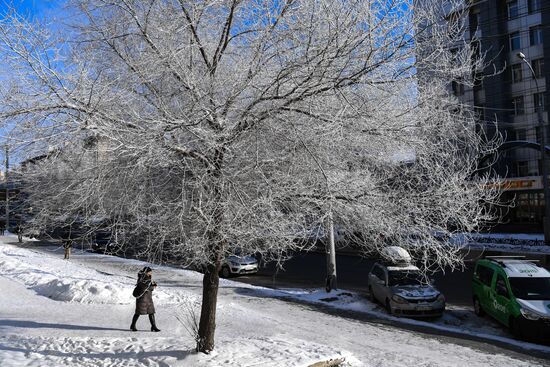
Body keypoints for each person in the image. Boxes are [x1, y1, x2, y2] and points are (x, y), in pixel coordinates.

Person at [130, 266, 161, 332]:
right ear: (147, 272)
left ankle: (153, 326)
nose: (151, 273)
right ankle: (133, 325)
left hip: (148, 298)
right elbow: (145, 287)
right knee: (138, 312)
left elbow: (147, 286)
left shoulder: (143, 277)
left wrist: (152, 285)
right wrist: (153, 286)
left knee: (151, 312)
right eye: (150, 272)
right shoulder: (144, 278)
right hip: (142, 298)